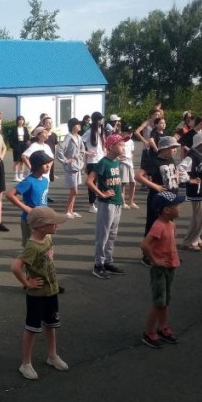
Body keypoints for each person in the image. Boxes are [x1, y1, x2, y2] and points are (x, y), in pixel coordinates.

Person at [11, 206, 69, 380]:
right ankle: (25, 364)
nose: (56, 226)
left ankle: (52, 355)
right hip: (37, 295)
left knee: (51, 325)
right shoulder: (32, 246)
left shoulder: (48, 238)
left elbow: (49, 255)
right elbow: (15, 267)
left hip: (51, 291)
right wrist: (27, 283)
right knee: (32, 328)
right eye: (53, 223)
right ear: (41, 227)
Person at [139, 191, 185, 348]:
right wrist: (155, 260)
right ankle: (149, 332)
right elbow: (145, 245)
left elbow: (170, 244)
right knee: (159, 302)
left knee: (165, 301)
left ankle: (162, 327)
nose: (179, 209)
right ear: (166, 210)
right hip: (160, 270)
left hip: (170, 266)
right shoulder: (158, 226)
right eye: (176, 206)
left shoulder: (171, 224)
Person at [135, 136, 180, 265]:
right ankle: (147, 255)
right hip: (157, 198)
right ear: (164, 148)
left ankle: (165, 252)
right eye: (172, 148)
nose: (175, 150)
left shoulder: (170, 159)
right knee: (153, 225)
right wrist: (155, 186)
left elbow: (175, 170)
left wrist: (177, 180)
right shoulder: (154, 161)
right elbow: (138, 176)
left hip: (171, 195)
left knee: (168, 225)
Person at [86, 134, 126, 279]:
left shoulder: (116, 162)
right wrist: (101, 194)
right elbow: (89, 181)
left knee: (112, 235)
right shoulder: (103, 162)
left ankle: (108, 261)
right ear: (111, 146)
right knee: (103, 235)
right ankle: (98, 265)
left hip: (117, 202)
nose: (123, 147)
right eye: (120, 144)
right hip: (107, 204)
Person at [6, 151, 52, 247]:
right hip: (31, 220)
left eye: (49, 163)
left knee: (45, 245)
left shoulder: (45, 180)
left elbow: (42, 199)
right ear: (37, 166)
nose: (48, 166)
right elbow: (10, 195)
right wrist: (26, 208)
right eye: (45, 164)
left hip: (43, 219)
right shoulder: (29, 181)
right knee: (31, 247)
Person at [178, 132, 202, 251]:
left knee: (200, 216)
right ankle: (188, 242)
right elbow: (180, 168)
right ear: (201, 144)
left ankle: (196, 238)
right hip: (196, 190)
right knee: (199, 216)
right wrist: (189, 180)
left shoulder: (200, 154)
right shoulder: (192, 156)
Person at [56, 118, 85, 218]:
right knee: (74, 190)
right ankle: (67, 211)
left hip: (77, 166)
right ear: (73, 126)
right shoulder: (68, 137)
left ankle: (71, 211)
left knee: (75, 190)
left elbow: (82, 150)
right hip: (70, 167)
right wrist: (65, 160)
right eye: (77, 124)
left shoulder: (79, 137)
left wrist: (79, 157)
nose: (79, 126)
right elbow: (60, 150)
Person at [82, 112, 106, 213]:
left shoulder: (101, 130)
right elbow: (80, 142)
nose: (101, 121)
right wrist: (87, 152)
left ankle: (102, 200)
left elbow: (103, 145)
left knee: (103, 181)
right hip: (93, 161)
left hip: (102, 159)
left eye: (101, 119)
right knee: (92, 182)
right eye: (99, 119)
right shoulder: (89, 131)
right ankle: (91, 204)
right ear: (95, 120)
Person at [120, 126, 138, 209]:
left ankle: (131, 201)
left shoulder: (131, 141)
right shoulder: (119, 140)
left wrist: (131, 157)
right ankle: (122, 202)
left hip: (130, 163)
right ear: (123, 132)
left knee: (133, 182)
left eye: (131, 132)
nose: (130, 134)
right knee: (123, 183)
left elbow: (132, 151)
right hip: (122, 163)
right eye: (128, 132)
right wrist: (119, 157)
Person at [9, 115, 30, 182]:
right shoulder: (14, 128)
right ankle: (16, 176)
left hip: (24, 145)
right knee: (17, 161)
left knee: (23, 161)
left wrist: (27, 145)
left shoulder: (25, 128)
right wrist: (13, 146)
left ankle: (21, 176)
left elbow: (27, 137)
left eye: (22, 120)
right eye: (19, 120)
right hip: (17, 145)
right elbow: (10, 138)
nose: (21, 121)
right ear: (17, 121)